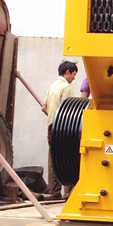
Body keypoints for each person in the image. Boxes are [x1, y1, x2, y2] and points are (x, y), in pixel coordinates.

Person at [42, 60, 78, 197]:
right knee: (68, 157)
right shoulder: (66, 87)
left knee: (53, 159)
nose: (74, 78)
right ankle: (68, 193)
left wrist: (53, 117)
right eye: (74, 74)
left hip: (51, 126)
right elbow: (67, 110)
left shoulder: (52, 87)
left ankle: (54, 192)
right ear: (67, 72)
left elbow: (44, 107)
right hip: (63, 128)